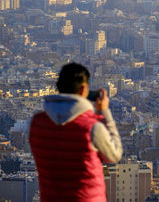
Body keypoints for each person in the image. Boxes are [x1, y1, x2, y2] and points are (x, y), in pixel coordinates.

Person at [29, 63, 122, 202]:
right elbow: (114, 155)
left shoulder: (37, 123)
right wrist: (104, 112)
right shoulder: (92, 127)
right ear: (84, 88)